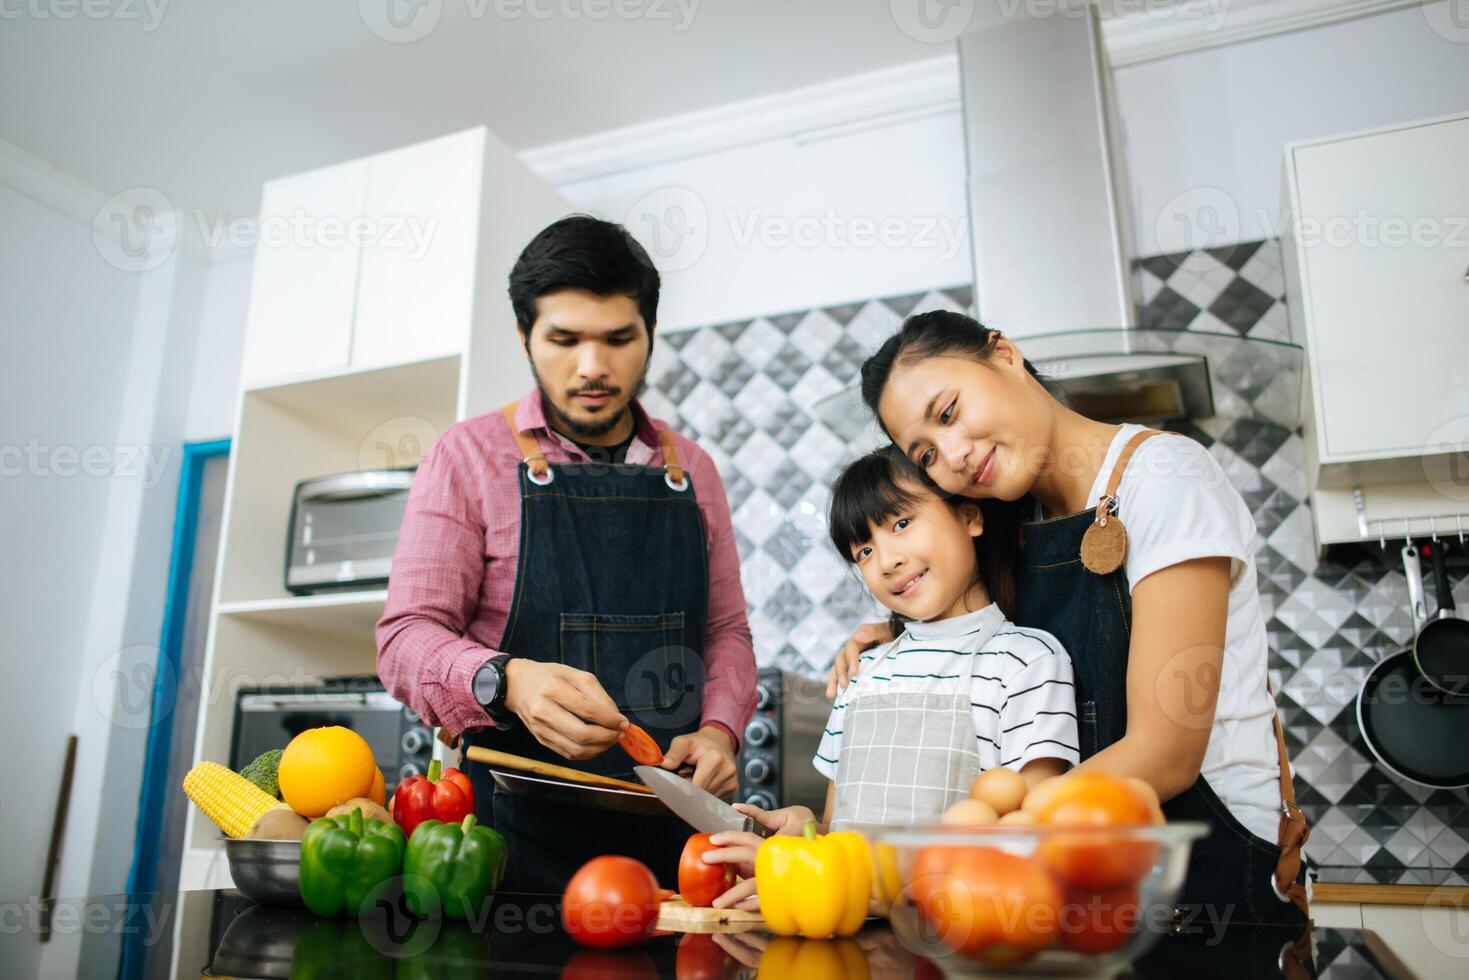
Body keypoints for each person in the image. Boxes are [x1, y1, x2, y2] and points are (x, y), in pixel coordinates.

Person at [826, 311, 1309, 926]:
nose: (951, 454)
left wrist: (965, 841)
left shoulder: (1163, 479)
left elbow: (1165, 754)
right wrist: (899, 637)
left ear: (1004, 356)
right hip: (1074, 889)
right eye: (925, 454)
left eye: (948, 413)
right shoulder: (1014, 523)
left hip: (1207, 876)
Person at [376, 215, 757, 891]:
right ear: (524, 337)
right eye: (564, 339)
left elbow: (724, 630)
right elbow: (404, 638)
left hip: (674, 839)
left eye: (618, 339)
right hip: (508, 841)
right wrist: (506, 680)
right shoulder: (465, 457)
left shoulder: (693, 468)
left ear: (648, 335)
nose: (593, 367)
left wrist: (721, 731)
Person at [699, 446, 1078, 909]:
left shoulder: (1027, 662)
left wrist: (808, 876)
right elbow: (840, 831)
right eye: (864, 550)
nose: (886, 561)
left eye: (901, 524)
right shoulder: (863, 671)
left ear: (970, 518)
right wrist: (803, 836)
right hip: (848, 932)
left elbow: (1027, 842)